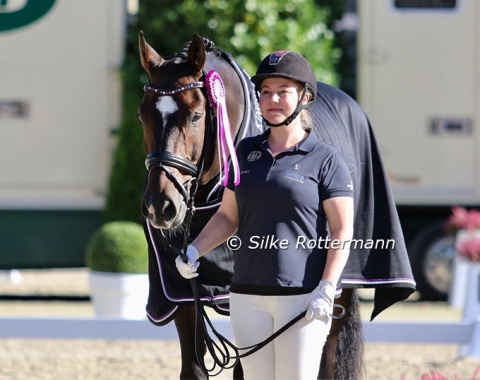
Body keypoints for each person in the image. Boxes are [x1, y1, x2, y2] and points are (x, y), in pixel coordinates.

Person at [176, 50, 354, 380]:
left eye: (283, 91)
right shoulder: (245, 153)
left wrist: (327, 286)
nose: (272, 99)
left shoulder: (326, 160)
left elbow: (342, 230)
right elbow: (228, 216)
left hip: (302, 298)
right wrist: (194, 249)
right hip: (246, 296)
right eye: (266, 91)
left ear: (305, 97)